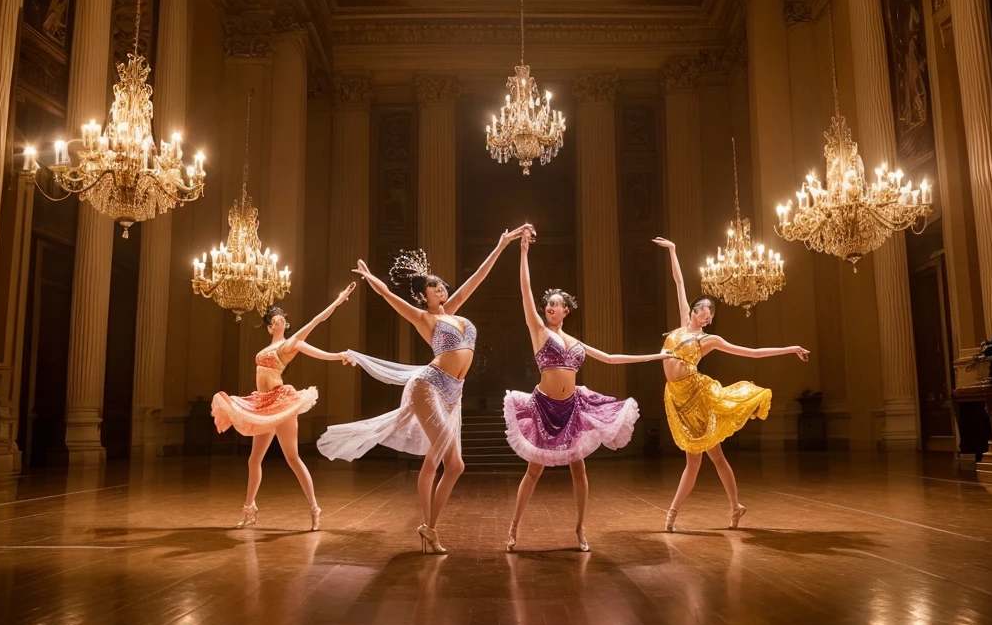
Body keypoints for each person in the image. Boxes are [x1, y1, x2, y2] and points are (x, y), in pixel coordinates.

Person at [317, 226, 528, 553]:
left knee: (455, 466)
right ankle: (428, 527)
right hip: (427, 386)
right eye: (432, 285)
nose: (440, 287)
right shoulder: (423, 318)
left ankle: (429, 528)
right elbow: (389, 296)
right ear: (423, 296)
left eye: (439, 284)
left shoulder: (455, 310)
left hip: (452, 393)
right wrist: (371, 277)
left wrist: (501, 244)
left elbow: (478, 277)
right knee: (437, 459)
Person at [504, 228, 669, 553]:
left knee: (579, 470)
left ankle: (580, 529)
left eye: (557, 305)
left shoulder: (576, 343)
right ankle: (513, 528)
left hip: (573, 407)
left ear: (567, 310)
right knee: (534, 470)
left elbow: (610, 357)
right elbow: (525, 291)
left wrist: (657, 355)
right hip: (543, 406)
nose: (551, 308)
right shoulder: (538, 330)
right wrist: (523, 253)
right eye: (548, 304)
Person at [653, 237, 809, 531]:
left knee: (700, 459)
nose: (703, 311)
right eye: (700, 307)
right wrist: (674, 250)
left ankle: (674, 514)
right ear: (692, 311)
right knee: (711, 457)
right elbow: (678, 282)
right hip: (676, 398)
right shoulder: (680, 325)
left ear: (708, 319)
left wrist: (790, 348)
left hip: (698, 397)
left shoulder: (708, 340)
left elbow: (752, 352)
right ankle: (735, 507)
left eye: (708, 310)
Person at [211, 283, 356, 531]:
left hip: (281, 401)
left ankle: (314, 509)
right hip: (262, 403)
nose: (278, 322)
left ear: (284, 324)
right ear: (269, 326)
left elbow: (316, 321)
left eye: (281, 319)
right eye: (274, 320)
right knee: (254, 459)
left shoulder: (290, 344)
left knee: (292, 457)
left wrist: (339, 302)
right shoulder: (266, 348)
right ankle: (250, 508)